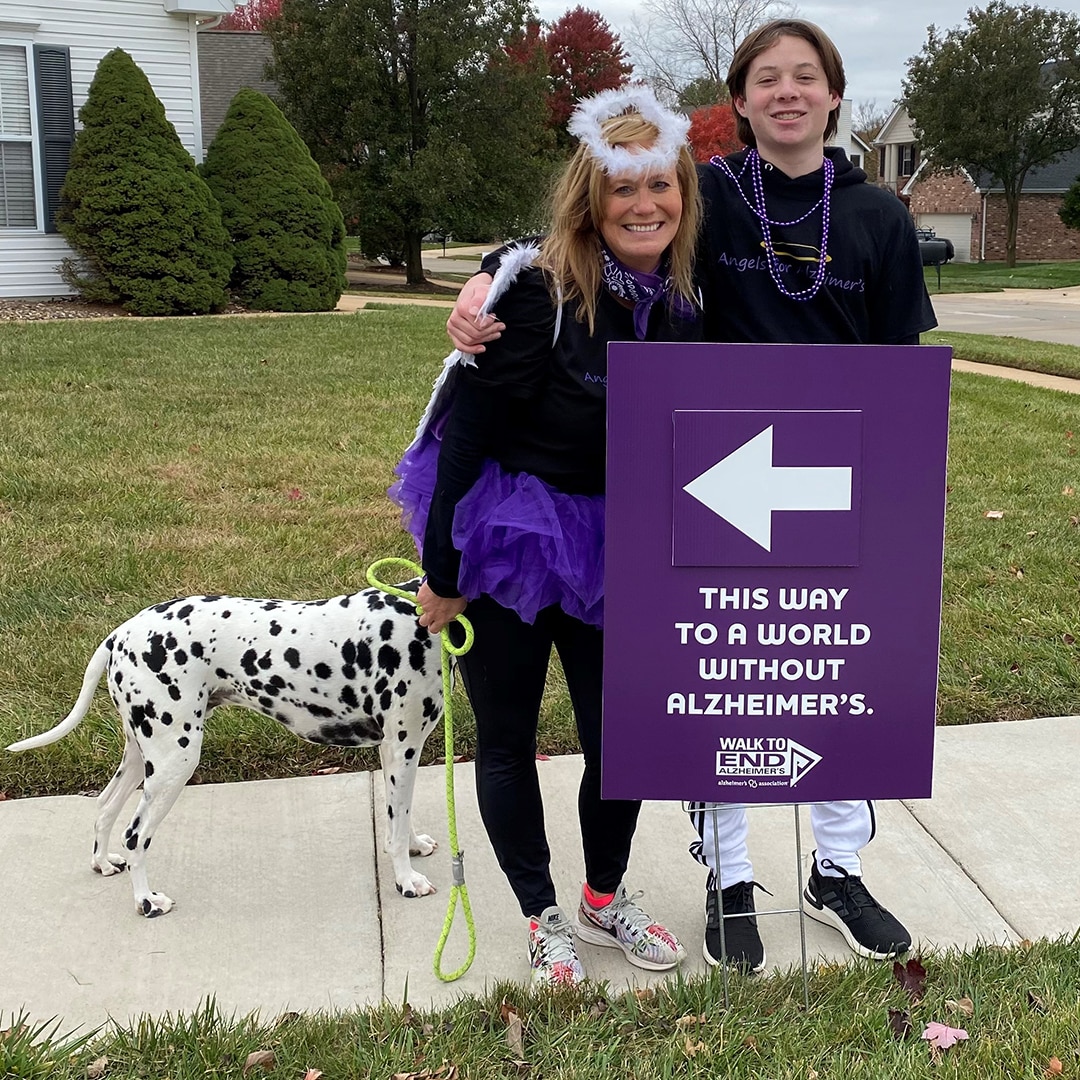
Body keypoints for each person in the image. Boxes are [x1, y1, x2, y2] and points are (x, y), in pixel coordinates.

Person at [443, 20, 937, 975]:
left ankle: (838, 870)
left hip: (836, 475)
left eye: (807, 77)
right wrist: (485, 279)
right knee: (730, 675)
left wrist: (901, 484)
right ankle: (731, 877)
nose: (787, 92)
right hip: (714, 467)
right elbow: (589, 212)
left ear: (836, 95)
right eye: (765, 79)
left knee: (837, 677)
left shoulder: (876, 214)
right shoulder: (703, 189)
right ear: (741, 101)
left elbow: (901, 364)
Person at [390, 85, 702, 986]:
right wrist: (443, 574)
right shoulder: (538, 296)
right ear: (589, 200)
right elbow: (467, 441)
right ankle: (540, 913)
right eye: (621, 189)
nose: (644, 205)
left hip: (620, 546)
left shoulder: (685, 296)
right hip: (512, 539)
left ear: (682, 192)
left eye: (659, 186)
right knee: (507, 737)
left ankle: (604, 898)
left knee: (622, 739)